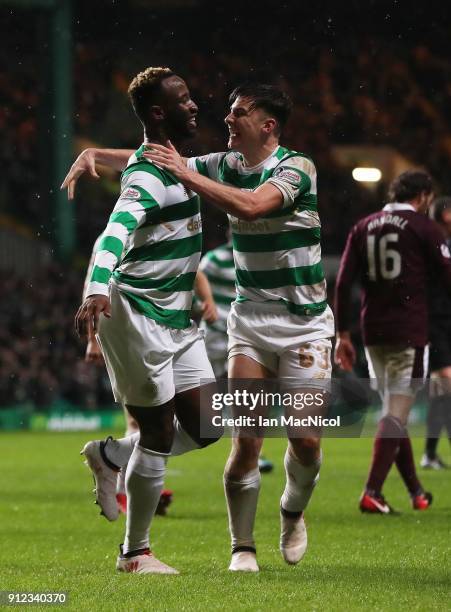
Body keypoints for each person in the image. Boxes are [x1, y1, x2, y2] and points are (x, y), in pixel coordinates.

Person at [63, 83, 333, 573]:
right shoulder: (223, 165)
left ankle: (291, 512)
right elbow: (153, 167)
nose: (225, 118)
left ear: (267, 125)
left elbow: (249, 206)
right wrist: (98, 153)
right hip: (244, 321)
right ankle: (229, 550)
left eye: (239, 113)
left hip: (305, 323)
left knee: (302, 440)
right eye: (227, 110)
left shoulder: (296, 167)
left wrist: (184, 171)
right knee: (237, 435)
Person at [73, 67, 220, 575]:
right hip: (135, 312)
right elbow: (113, 231)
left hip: (178, 316)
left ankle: (111, 455)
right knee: (157, 433)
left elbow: (146, 159)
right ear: (159, 113)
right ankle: (135, 554)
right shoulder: (149, 175)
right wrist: (95, 287)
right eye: (185, 100)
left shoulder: (175, 162)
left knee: (207, 424)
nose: (195, 105)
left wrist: (97, 152)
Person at [334, 170, 451, 514]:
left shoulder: (363, 225)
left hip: (373, 332)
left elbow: (342, 284)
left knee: (391, 413)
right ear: (425, 196)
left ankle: (415, 490)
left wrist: (343, 334)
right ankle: (372, 491)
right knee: (395, 414)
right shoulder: (424, 227)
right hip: (409, 331)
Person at [83, 235, 173, 516]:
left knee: (167, 417)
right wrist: (93, 339)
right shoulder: (111, 237)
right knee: (138, 418)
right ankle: (126, 491)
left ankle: (134, 483)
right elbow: (92, 287)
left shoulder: (162, 227)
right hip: (125, 330)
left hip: (160, 329)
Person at [195, 240, 275, 474]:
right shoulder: (214, 260)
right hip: (213, 335)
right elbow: (192, 282)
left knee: (243, 398)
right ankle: (157, 447)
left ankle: (250, 452)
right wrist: (200, 305)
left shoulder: (257, 258)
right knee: (196, 402)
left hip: (241, 335)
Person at [421, 197, 451, 469]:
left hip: (445, 324)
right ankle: (429, 454)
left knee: (441, 392)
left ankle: (429, 454)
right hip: (437, 325)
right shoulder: (432, 245)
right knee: (445, 385)